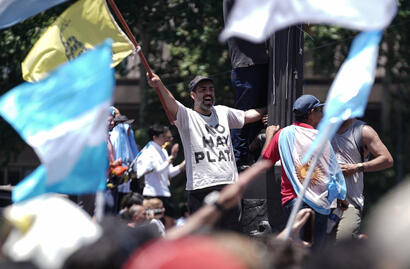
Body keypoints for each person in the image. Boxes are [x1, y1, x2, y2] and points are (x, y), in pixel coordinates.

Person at [147, 72, 265, 231]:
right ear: (193, 95)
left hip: (229, 186)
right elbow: (171, 102)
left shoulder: (222, 112)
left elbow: (246, 116)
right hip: (200, 188)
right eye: (202, 90)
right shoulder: (186, 116)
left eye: (211, 89)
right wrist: (159, 84)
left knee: (230, 237)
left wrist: (267, 109)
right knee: (205, 238)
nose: (208, 93)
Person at [261, 94, 346, 249]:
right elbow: (333, 170)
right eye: (319, 110)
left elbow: (265, 161)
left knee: (295, 250)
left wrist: (269, 136)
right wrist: (341, 194)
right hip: (320, 202)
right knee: (315, 253)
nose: (322, 113)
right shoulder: (321, 138)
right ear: (311, 113)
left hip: (293, 200)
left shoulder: (283, 135)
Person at [223, 0, 269, 171]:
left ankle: (254, 155)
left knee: (258, 119)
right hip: (246, 65)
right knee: (243, 117)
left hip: (259, 63)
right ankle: (238, 159)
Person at [330, 118, 393, 240]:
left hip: (350, 204)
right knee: (318, 251)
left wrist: (357, 167)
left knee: (342, 246)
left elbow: (387, 159)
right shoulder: (324, 129)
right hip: (323, 204)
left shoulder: (363, 131)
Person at [136, 124, 185, 228]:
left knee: (170, 223)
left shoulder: (163, 151)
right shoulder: (148, 151)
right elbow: (158, 170)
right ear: (155, 137)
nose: (167, 140)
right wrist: (171, 157)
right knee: (152, 224)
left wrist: (184, 164)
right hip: (152, 194)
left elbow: (169, 172)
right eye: (164, 137)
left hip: (165, 192)